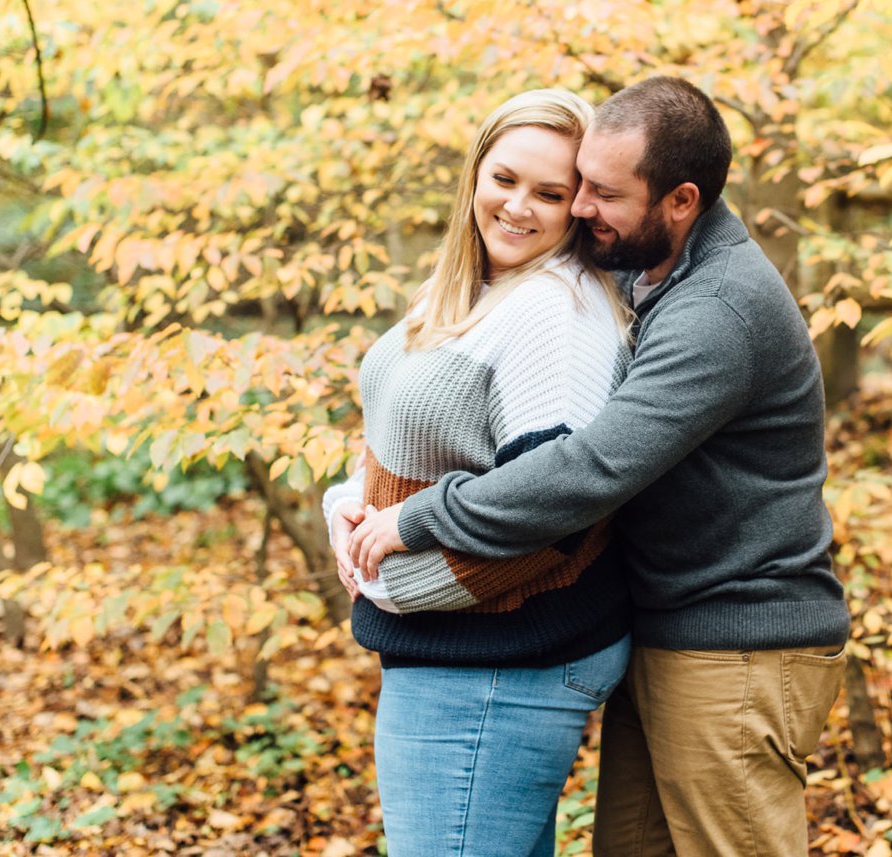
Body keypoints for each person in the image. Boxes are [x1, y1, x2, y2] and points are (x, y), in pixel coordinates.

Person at [347, 76, 851, 857]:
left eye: (600, 193)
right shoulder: (636, 260)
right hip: (661, 627)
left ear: (680, 200)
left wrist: (418, 517)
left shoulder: (719, 307)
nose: (578, 209)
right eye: (577, 186)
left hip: (740, 640)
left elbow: (589, 468)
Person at [321, 89, 634, 857]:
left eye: (550, 193)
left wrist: (393, 582)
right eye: (504, 178)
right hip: (466, 658)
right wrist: (345, 505)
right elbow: (405, 432)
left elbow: (557, 512)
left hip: (497, 664)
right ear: (474, 175)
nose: (518, 206)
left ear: (579, 208)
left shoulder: (552, 316)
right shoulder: (475, 289)